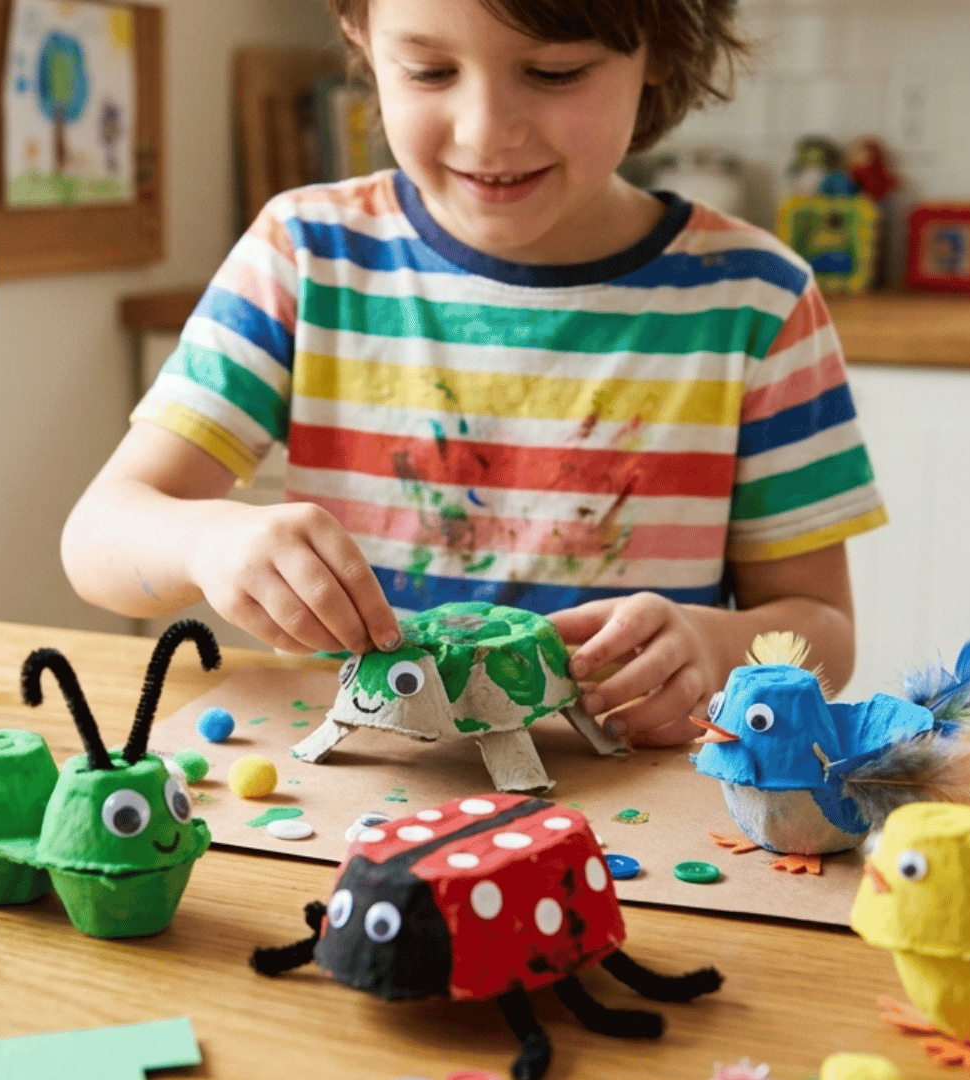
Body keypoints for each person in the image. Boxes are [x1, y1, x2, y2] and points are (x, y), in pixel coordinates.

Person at [61, 0, 886, 747]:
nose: (487, 131)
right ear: (362, 36)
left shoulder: (756, 301)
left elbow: (823, 631)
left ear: (664, 45)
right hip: (351, 788)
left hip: (628, 806)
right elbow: (97, 538)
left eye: (554, 72)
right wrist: (209, 540)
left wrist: (714, 646)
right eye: (430, 71)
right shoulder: (307, 257)